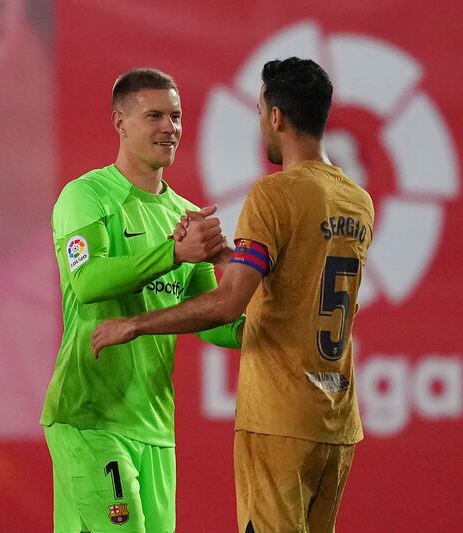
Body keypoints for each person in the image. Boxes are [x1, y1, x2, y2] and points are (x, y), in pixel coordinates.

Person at [92, 57, 375, 533]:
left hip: (280, 418)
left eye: (261, 110)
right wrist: (220, 254)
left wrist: (135, 323)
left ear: (278, 117)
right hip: (337, 420)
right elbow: (290, 281)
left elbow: (228, 304)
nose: (261, 123)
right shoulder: (356, 200)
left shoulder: (275, 194)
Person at [40, 68, 245, 533]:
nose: (169, 127)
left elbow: (210, 319)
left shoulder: (183, 215)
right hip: (89, 417)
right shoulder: (86, 196)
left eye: (175, 116)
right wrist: (173, 252)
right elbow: (88, 282)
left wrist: (271, 326)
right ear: (120, 122)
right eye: (154, 115)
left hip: (153, 426)